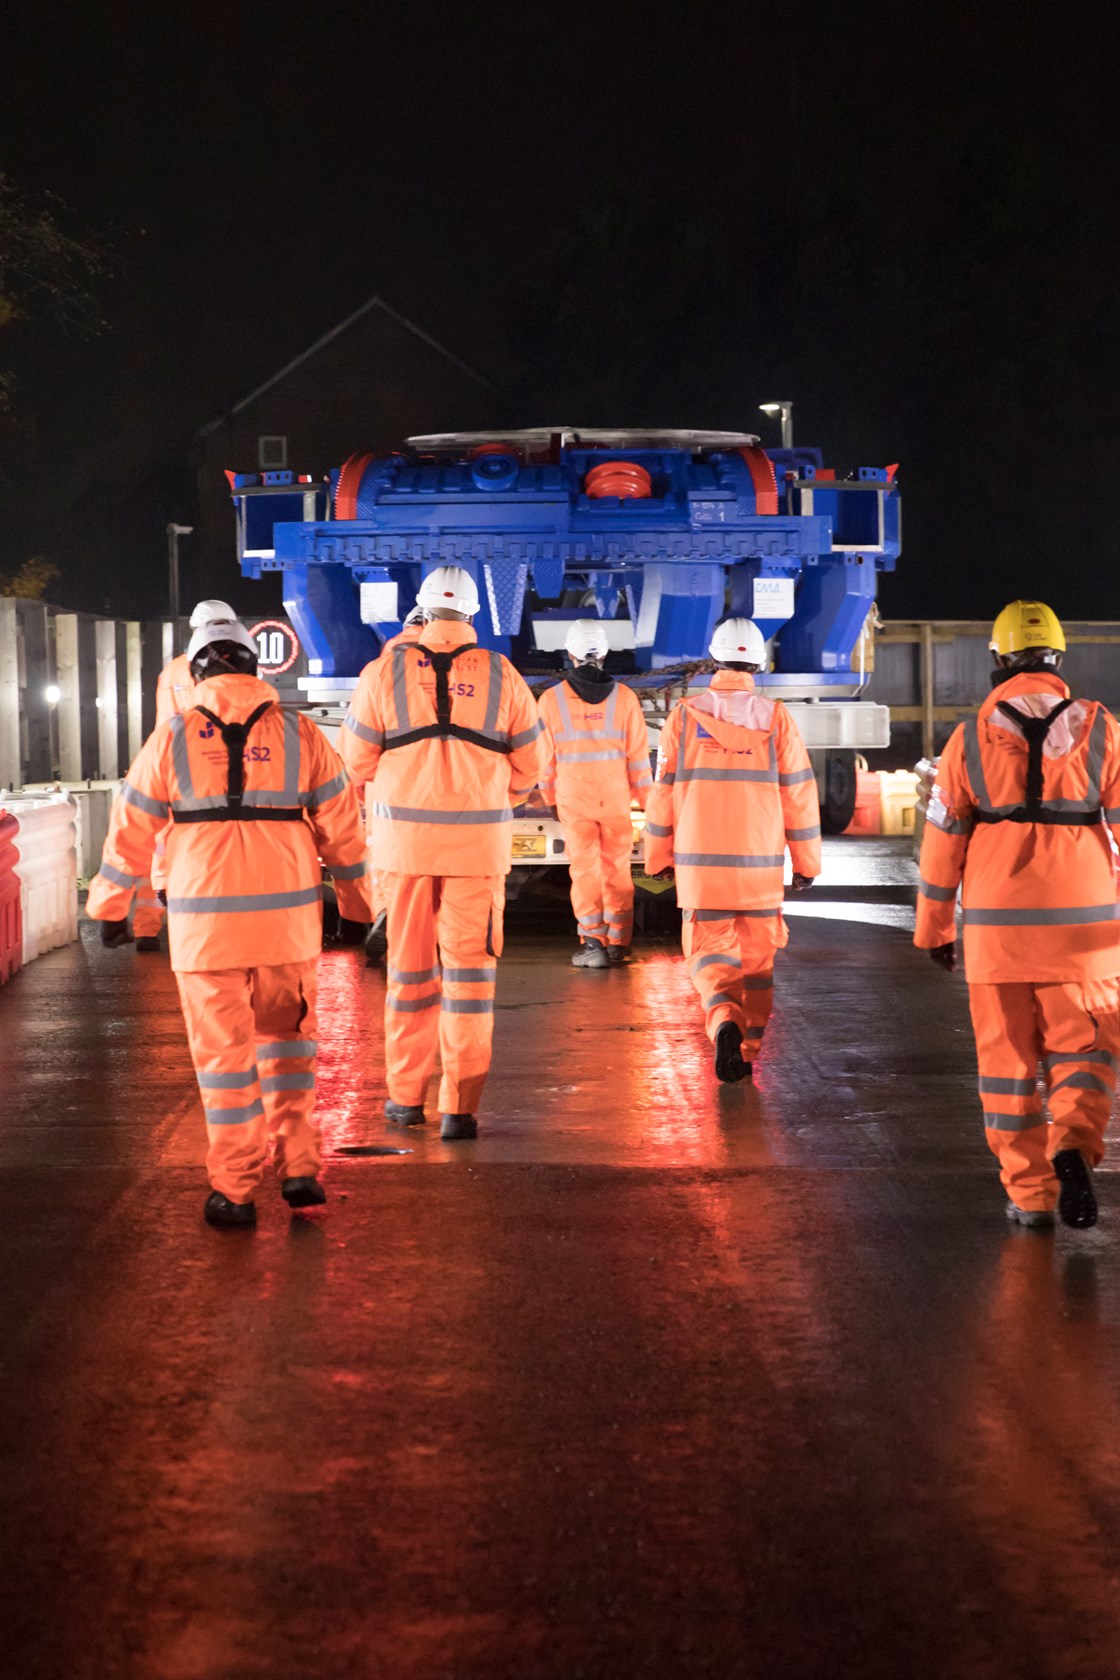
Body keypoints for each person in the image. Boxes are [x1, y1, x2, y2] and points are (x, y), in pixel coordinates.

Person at [86, 620, 371, 1227]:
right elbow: (343, 831)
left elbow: (131, 828)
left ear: (195, 673)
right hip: (289, 930)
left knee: (225, 1065)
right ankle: (298, 1169)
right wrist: (355, 908)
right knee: (290, 1052)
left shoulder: (171, 738)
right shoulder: (302, 735)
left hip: (206, 932)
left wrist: (110, 907)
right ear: (254, 667)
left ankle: (236, 1192)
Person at [915, 599, 1120, 1230]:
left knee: (1006, 1067)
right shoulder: (1102, 728)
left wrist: (934, 928)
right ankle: (1073, 1146)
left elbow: (943, 840)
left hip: (999, 934)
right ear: (1058, 658)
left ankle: (1031, 1195)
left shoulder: (969, 735)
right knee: (1084, 1049)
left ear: (998, 661)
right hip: (1086, 935)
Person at [338, 564, 546, 1139]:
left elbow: (354, 762)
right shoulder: (504, 676)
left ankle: (405, 1102)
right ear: (474, 615)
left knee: (409, 978)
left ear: (423, 613)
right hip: (476, 855)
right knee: (471, 984)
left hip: (404, 855)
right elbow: (533, 763)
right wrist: (494, 792)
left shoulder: (384, 672)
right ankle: (460, 1110)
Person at [643, 617, 821, 1083]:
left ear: (714, 660)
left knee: (710, 958)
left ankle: (723, 1019)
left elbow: (662, 794)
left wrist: (658, 859)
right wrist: (806, 864)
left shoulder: (683, 717)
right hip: (759, 873)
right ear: (757, 663)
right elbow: (798, 794)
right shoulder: (776, 717)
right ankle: (747, 1051)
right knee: (758, 970)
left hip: (702, 872)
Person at [537, 620, 652, 967]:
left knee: (585, 870)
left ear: (570, 654)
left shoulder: (551, 700)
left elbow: (545, 760)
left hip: (573, 799)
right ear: (603, 655)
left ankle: (593, 944)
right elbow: (638, 760)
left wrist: (550, 798)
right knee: (617, 867)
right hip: (615, 798)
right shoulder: (626, 699)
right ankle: (619, 941)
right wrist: (649, 805)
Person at [132, 599, 242, 953]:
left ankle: (147, 928)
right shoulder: (234, 667)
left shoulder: (174, 670)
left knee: (159, 841)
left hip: (173, 762)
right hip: (219, 766)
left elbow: (166, 721)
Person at [348, 604, 427, 965]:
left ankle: (384, 910)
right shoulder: (462, 665)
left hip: (389, 779)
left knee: (383, 852)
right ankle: (431, 925)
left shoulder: (380, 668)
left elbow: (358, 746)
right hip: (445, 779)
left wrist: (360, 784)